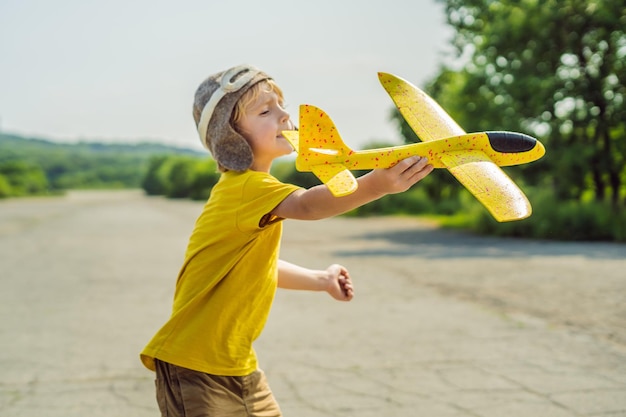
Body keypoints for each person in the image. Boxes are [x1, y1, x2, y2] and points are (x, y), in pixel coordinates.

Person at [140, 64, 433, 416]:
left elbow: (259, 268)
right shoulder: (246, 187)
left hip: (238, 365)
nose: (283, 115)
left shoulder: (248, 193)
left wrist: (321, 280)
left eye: (281, 105)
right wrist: (375, 185)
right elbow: (308, 205)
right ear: (230, 135)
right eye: (265, 110)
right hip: (195, 366)